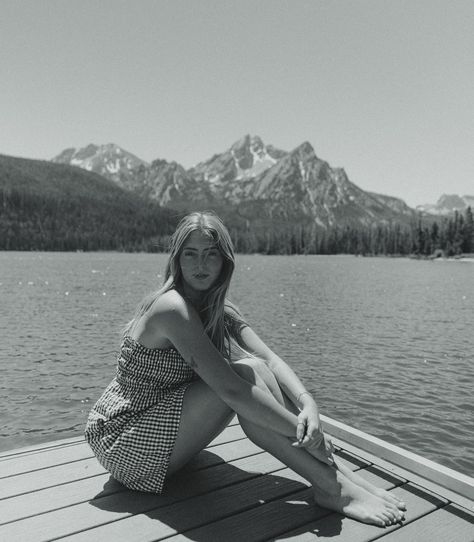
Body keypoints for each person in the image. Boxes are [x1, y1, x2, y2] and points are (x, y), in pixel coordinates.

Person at [85, 211, 406, 527]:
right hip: (123, 440)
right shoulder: (172, 308)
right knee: (239, 382)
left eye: (211, 254)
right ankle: (333, 488)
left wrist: (309, 405)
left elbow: (269, 359)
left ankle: (341, 478)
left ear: (225, 261)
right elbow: (231, 391)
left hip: (160, 426)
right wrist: (307, 434)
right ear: (176, 260)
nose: (200, 265)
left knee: (254, 369)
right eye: (190, 254)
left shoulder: (216, 309)